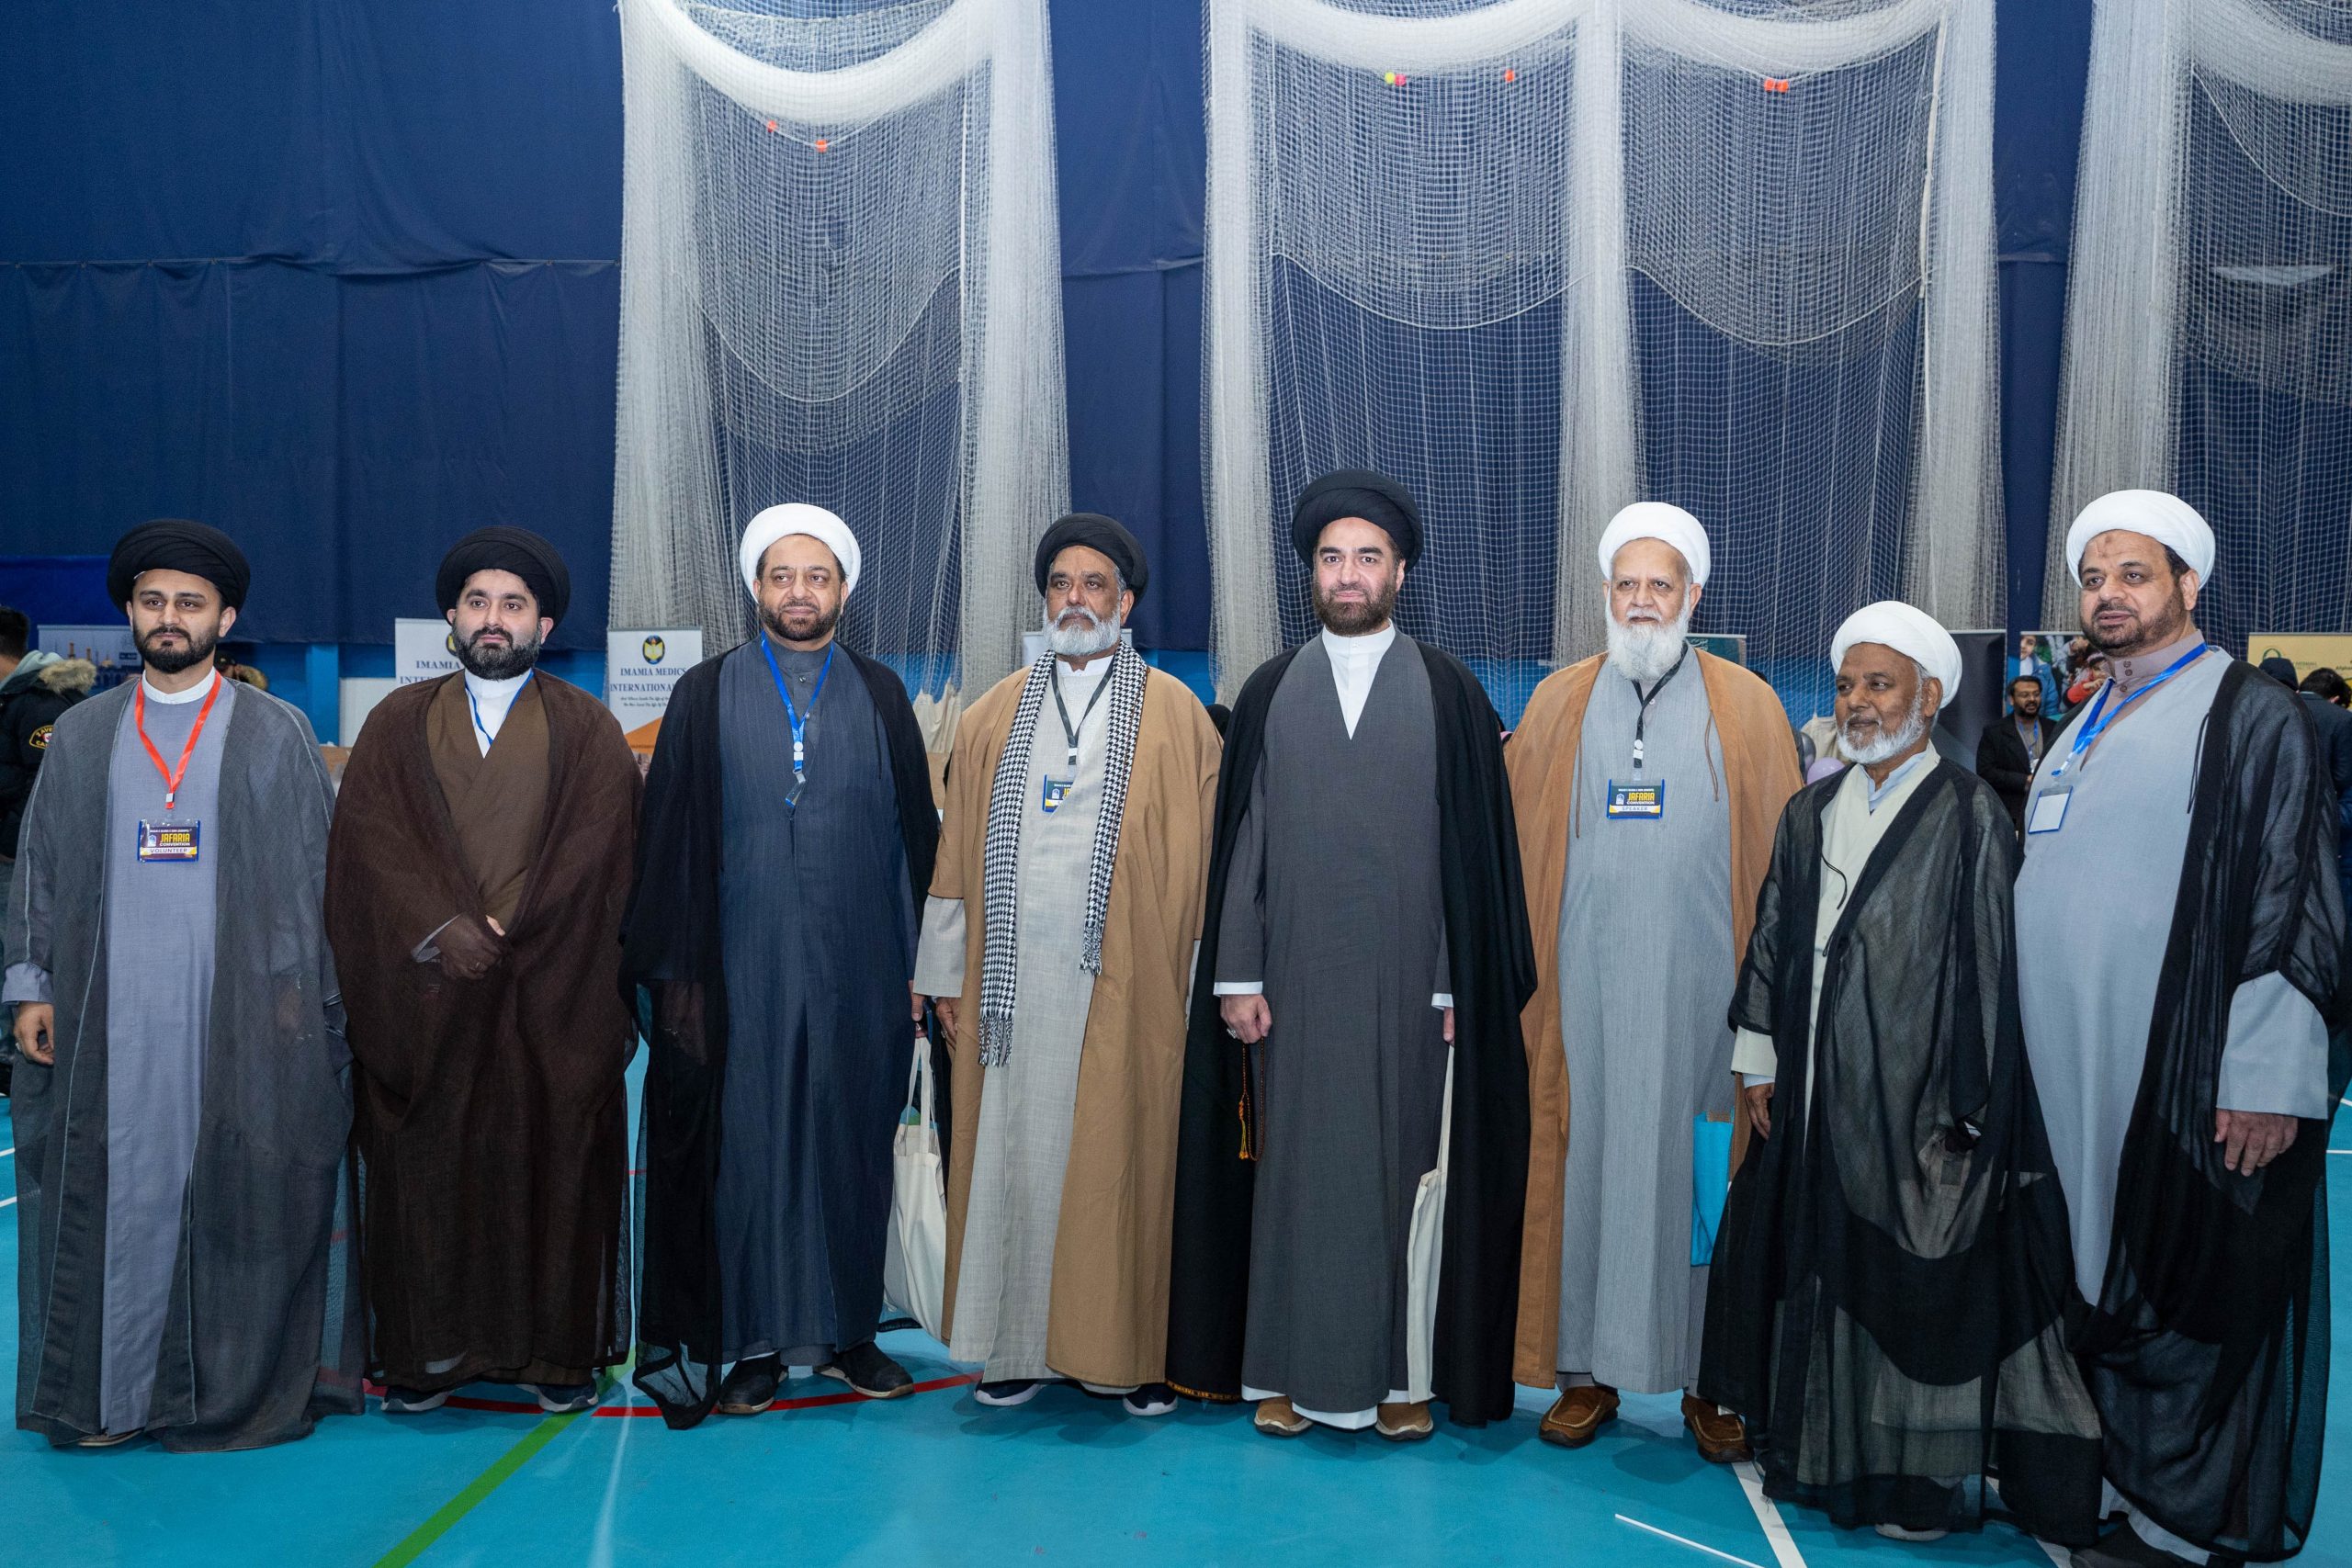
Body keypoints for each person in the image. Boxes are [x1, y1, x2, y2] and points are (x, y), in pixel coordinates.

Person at [1699, 603, 2101, 1542]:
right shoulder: (1810, 811)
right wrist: (1756, 1060)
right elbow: (1771, 939)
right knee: (1817, 1268)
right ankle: (1818, 1445)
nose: (1858, 702)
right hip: (1809, 1093)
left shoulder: (1967, 812)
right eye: (1847, 685)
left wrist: (1969, 1107)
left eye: (1879, 685)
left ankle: (1911, 1476)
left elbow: (1991, 967)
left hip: (1914, 1104)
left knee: (1907, 1283)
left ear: (1928, 698)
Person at [1166, 469, 1536, 1443]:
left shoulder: (1451, 692)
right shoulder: (1269, 689)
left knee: (1404, 1175)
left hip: (1415, 988)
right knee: (1294, 1178)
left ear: (1399, 572)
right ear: (1313, 573)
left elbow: (1473, 861)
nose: (1348, 574)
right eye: (1332, 558)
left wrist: (1459, 983)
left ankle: (1401, 1377)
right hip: (1290, 986)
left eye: (1367, 557)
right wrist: (1236, 976)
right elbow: (1242, 843)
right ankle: (1286, 1373)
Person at [2017, 491, 2348, 1568]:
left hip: (2183, 1074)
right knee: (2090, 1273)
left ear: (2187, 585)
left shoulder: (2249, 714)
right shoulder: (2081, 719)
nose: (2108, 596)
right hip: (2069, 1074)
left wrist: (2266, 1073)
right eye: (2093, 579)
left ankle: (2178, 1524)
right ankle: (2108, 1483)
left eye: (2133, 575)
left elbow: (2293, 900)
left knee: (2190, 1286)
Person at [4, 519, 360, 1450]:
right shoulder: (82, 735)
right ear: (130, 612)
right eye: (153, 601)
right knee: (118, 1200)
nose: (170, 617)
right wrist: (32, 985)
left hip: (237, 1019)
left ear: (225, 619)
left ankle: (216, 1390)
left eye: (190, 604)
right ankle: (113, 1400)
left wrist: (300, 992)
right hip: (107, 1019)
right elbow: (39, 866)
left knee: (239, 1201)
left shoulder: (278, 733)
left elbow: (318, 877)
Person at [623, 504, 941, 1427]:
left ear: (843, 590)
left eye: (817, 577)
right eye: (782, 576)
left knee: (853, 1145)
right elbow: (667, 843)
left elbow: (913, 845)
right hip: (740, 967)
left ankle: (850, 1334)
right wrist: (679, 979)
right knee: (750, 1151)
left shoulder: (881, 693)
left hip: (863, 966)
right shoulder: (702, 693)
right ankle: (756, 1343)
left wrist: (921, 968)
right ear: (755, 587)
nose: (799, 593)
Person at [1502, 502, 1799, 1460]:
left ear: (1692, 596)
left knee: (1706, 1180)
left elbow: (1783, 875)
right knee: (1581, 1168)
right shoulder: (1556, 703)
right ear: (1604, 593)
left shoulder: (1749, 708)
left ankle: (1710, 1382)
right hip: (1579, 1007)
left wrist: (1769, 1019)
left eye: (1659, 585)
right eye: (1626, 584)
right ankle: (1583, 1374)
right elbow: (1514, 854)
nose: (1641, 601)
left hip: (1705, 1015)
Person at [325, 527, 641, 1416]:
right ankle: (428, 1357)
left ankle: (553, 1357)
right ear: (452, 617)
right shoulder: (396, 724)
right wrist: (443, 928)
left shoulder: (588, 730)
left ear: (545, 624)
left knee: (551, 1169)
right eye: (477, 602)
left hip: (552, 999)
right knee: (429, 1177)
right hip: (427, 1001)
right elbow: (368, 850)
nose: (493, 619)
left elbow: (605, 856)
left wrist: (512, 929)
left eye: (512, 604)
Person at [914, 513, 1220, 1416]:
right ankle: (1014, 1348)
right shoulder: (991, 714)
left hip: (1130, 987)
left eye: (1094, 585)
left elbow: (1204, 863)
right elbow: (953, 857)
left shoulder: (1179, 717)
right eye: (1060, 584)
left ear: (1126, 603)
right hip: (1008, 995)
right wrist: (943, 978)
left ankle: (1125, 1353)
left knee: (1121, 1169)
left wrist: (1198, 983)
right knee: (1009, 1161)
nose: (1075, 600)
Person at [0, 606, 94, 862]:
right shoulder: (13, 696)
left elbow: (45, 786)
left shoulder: (41, 703)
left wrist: (8, 845)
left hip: (21, 857)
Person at [1975, 672, 2062, 832]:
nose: (2032, 699)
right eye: (2025, 695)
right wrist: (2024, 781)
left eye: (2036, 694)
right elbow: (1986, 772)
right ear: (2011, 700)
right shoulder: (1995, 732)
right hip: (2012, 813)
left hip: (2049, 808)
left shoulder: (2054, 728)